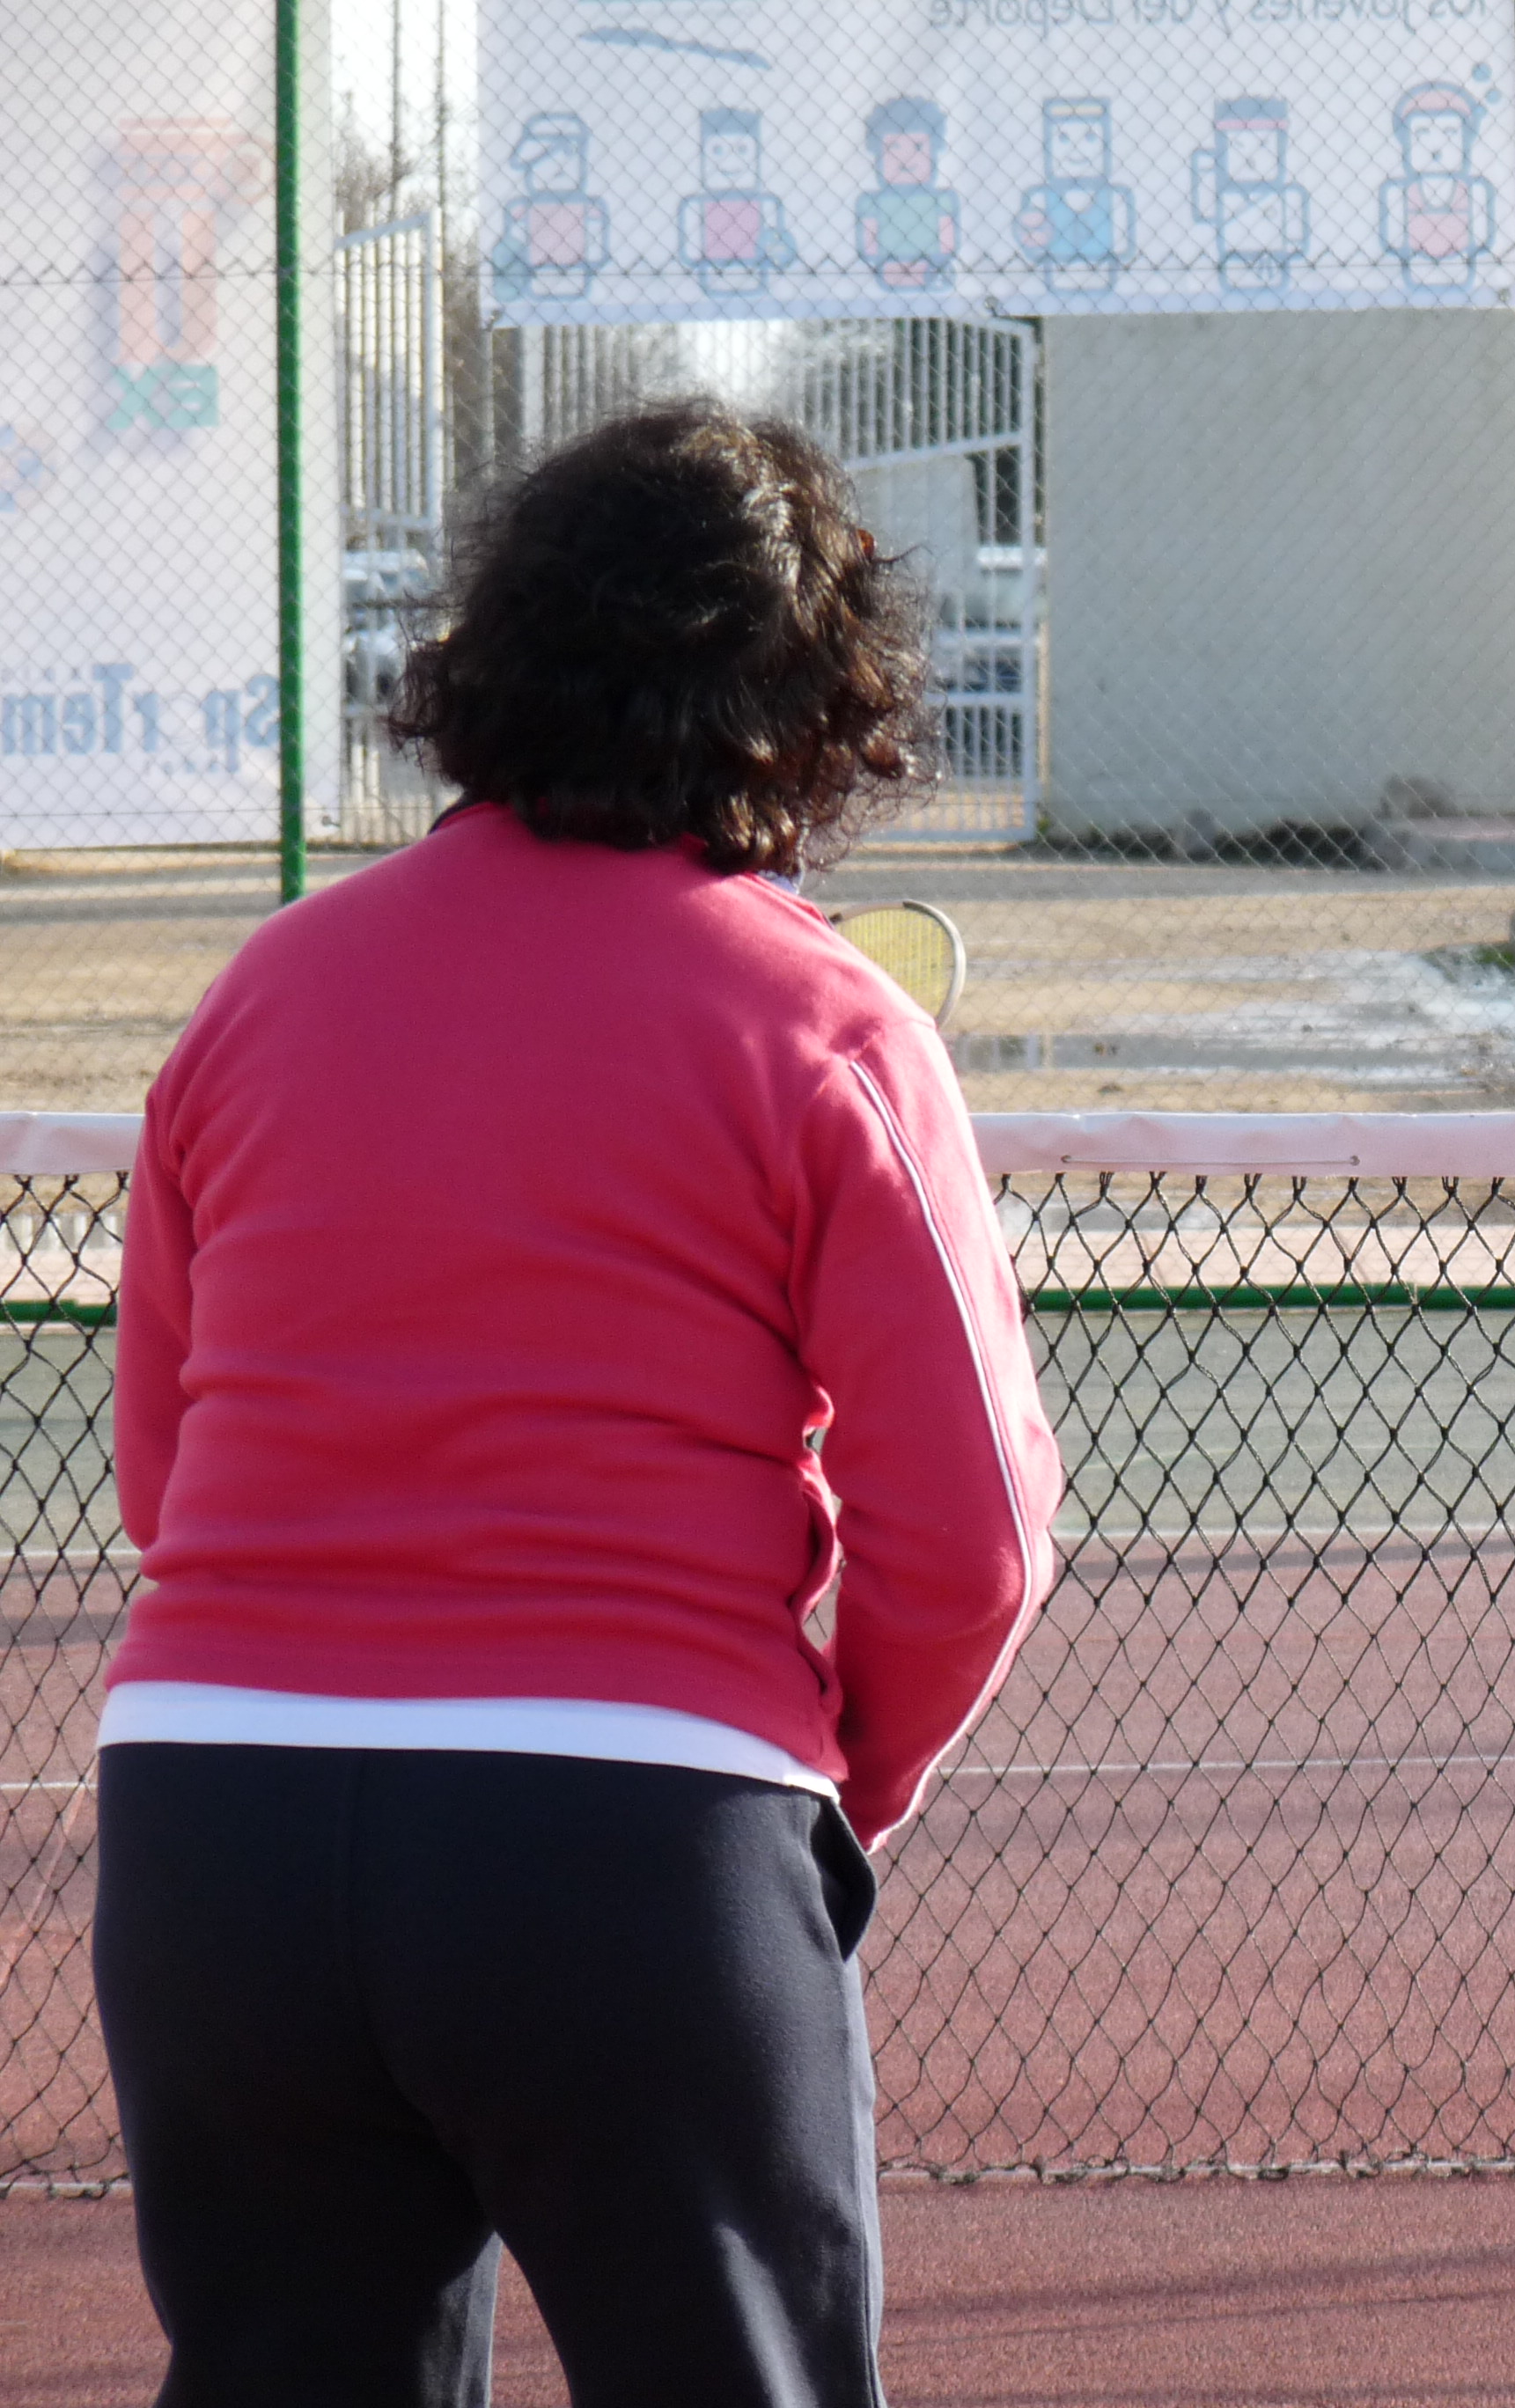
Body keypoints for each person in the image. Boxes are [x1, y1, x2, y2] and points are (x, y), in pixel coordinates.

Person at [94, 401, 1066, 2404]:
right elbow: (971, 1533)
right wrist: (831, 1782)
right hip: (635, 1829)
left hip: (215, 1823)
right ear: (809, 707)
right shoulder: (825, 1018)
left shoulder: (264, 989)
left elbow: (165, 1471)